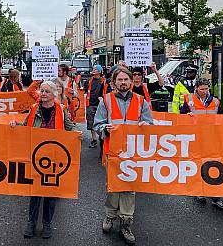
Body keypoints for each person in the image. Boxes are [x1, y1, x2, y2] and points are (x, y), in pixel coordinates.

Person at [10, 81, 80, 239]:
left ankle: (47, 223)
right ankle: (31, 222)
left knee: (50, 192)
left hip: (55, 157)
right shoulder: (34, 109)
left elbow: (71, 127)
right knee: (35, 192)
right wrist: (15, 125)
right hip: (36, 156)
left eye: (47, 91)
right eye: (42, 91)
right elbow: (25, 125)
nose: (43, 94)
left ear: (54, 94)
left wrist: (77, 133)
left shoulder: (61, 110)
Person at [94, 67, 153, 245]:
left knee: (129, 188)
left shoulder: (141, 101)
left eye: (126, 80)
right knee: (114, 186)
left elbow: (150, 123)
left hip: (133, 153)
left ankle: (126, 223)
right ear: (114, 82)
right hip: (112, 151)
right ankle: (110, 217)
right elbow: (98, 124)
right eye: (119, 80)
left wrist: (146, 125)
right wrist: (105, 128)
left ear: (131, 82)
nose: (123, 83)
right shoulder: (106, 100)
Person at [179, 77, 223, 210]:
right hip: (195, 138)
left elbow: (221, 118)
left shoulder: (216, 101)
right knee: (198, 164)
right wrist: (186, 116)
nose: (205, 91)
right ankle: (199, 191)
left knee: (213, 165)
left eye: (207, 89)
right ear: (196, 88)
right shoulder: (188, 99)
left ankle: (216, 196)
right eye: (202, 89)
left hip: (212, 138)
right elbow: (180, 117)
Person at [84, 65, 109, 148]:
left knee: (102, 122)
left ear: (100, 71)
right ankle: (94, 139)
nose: (93, 70)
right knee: (91, 122)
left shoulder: (104, 81)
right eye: (93, 69)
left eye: (96, 69)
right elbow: (85, 90)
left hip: (101, 105)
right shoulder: (88, 81)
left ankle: (101, 138)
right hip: (90, 104)